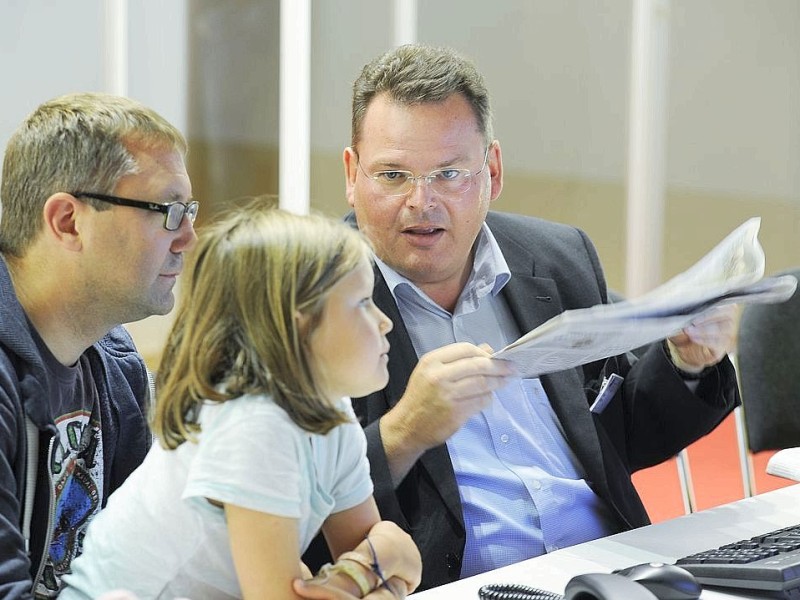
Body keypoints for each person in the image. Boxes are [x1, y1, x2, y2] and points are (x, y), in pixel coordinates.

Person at [304, 44, 740, 591]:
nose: (421, 201)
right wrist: (404, 432)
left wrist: (686, 363)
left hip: (609, 574)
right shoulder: (308, 296)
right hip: (460, 582)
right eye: (393, 175)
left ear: (492, 169)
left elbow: (621, 435)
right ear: (351, 173)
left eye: (449, 173)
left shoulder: (555, 258)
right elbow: (292, 508)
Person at [61, 201, 422, 599]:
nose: (384, 321)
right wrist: (368, 572)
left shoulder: (331, 414)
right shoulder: (255, 425)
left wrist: (362, 573)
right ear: (299, 326)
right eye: (362, 303)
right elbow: (379, 561)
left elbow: (390, 558)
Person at [0, 92, 197, 598]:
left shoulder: (115, 366)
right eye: (169, 211)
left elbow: (153, 566)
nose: (189, 238)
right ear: (68, 221)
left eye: (189, 211)